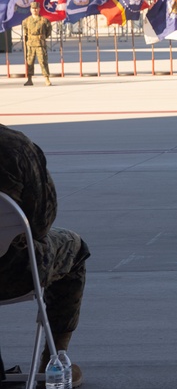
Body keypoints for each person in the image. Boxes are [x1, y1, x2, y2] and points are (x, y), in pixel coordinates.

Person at [0, 124, 88, 387]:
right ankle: (54, 360)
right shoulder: (14, 145)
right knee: (75, 247)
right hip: (10, 272)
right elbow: (40, 224)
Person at [22, 1, 52, 87]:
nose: (34, 10)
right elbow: (26, 32)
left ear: (39, 9)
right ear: (30, 9)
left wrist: (42, 37)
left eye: (36, 8)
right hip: (31, 44)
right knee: (30, 62)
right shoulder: (26, 21)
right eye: (33, 8)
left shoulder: (44, 20)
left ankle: (46, 78)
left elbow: (48, 31)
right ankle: (29, 79)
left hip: (40, 44)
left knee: (43, 61)